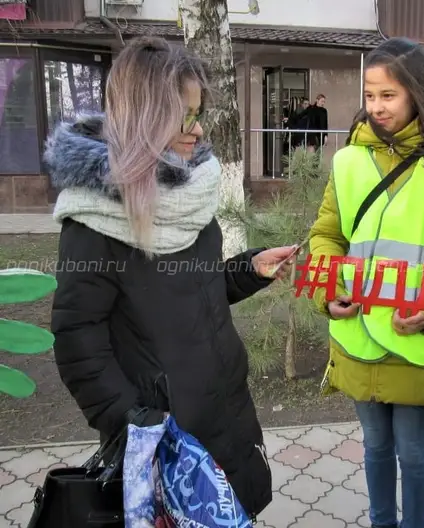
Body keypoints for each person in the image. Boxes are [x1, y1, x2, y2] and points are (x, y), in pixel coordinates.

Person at [45, 36, 297, 521]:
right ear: (144, 117)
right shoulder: (93, 222)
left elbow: (195, 288)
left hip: (226, 413)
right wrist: (137, 425)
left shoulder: (188, 190)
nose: (198, 130)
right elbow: (77, 342)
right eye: (184, 116)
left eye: (197, 113)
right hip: (169, 440)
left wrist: (249, 269)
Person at [308, 37, 424, 528]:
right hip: (358, 333)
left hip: (419, 337)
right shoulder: (348, 160)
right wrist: (330, 290)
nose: (376, 107)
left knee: (413, 452)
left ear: (417, 93)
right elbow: (327, 234)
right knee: (374, 446)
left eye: (387, 95)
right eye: (370, 95)